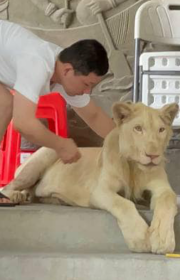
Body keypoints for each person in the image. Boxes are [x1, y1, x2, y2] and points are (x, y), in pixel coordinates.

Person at [0, 20, 115, 204]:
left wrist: (127, 145)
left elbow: (94, 116)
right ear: (68, 70)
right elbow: (23, 123)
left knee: (4, 103)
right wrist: (60, 145)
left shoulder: (64, 73)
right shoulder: (37, 63)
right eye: (87, 85)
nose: (88, 92)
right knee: (5, 103)